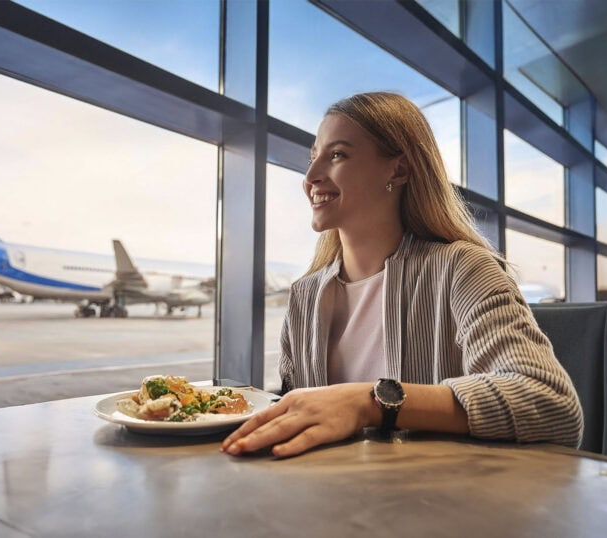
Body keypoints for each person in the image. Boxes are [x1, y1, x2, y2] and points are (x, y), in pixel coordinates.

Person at [223, 92, 582, 458]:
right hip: (331, 501)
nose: (311, 177)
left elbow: (551, 404)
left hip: (438, 503)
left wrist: (369, 401)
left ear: (398, 170)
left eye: (337, 155)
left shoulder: (462, 268)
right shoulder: (305, 295)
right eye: (313, 157)